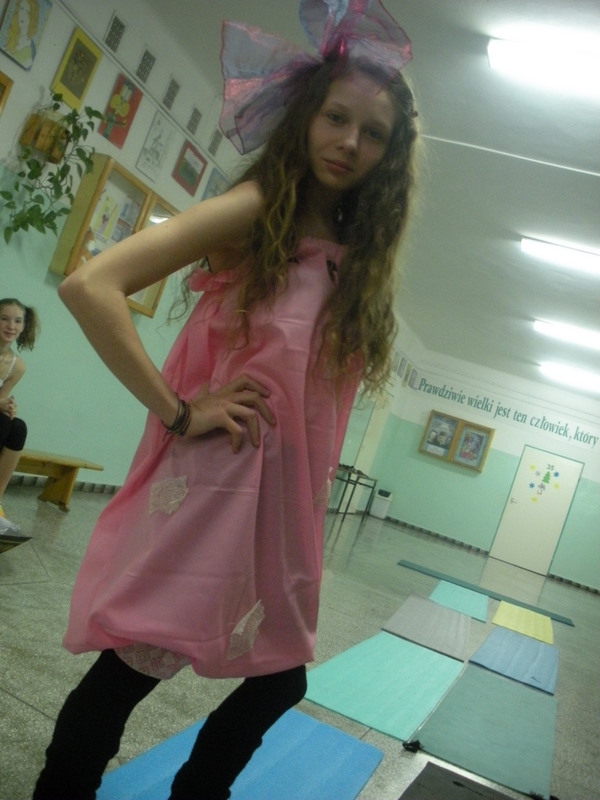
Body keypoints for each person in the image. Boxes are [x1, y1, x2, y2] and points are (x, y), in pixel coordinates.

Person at [32, 1, 419, 798]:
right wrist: (180, 409)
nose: (350, 142)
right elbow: (91, 285)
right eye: (336, 118)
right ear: (304, 117)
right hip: (219, 481)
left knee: (279, 677)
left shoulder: (354, 256)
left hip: (281, 500)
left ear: (391, 153)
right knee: (135, 666)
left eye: (373, 133)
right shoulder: (255, 210)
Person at [0, 297, 40, 536]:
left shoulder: (16, 366)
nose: (10, 326)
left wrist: (7, 406)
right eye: (4, 319)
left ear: (24, 326)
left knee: (16, 426)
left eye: (17, 321)